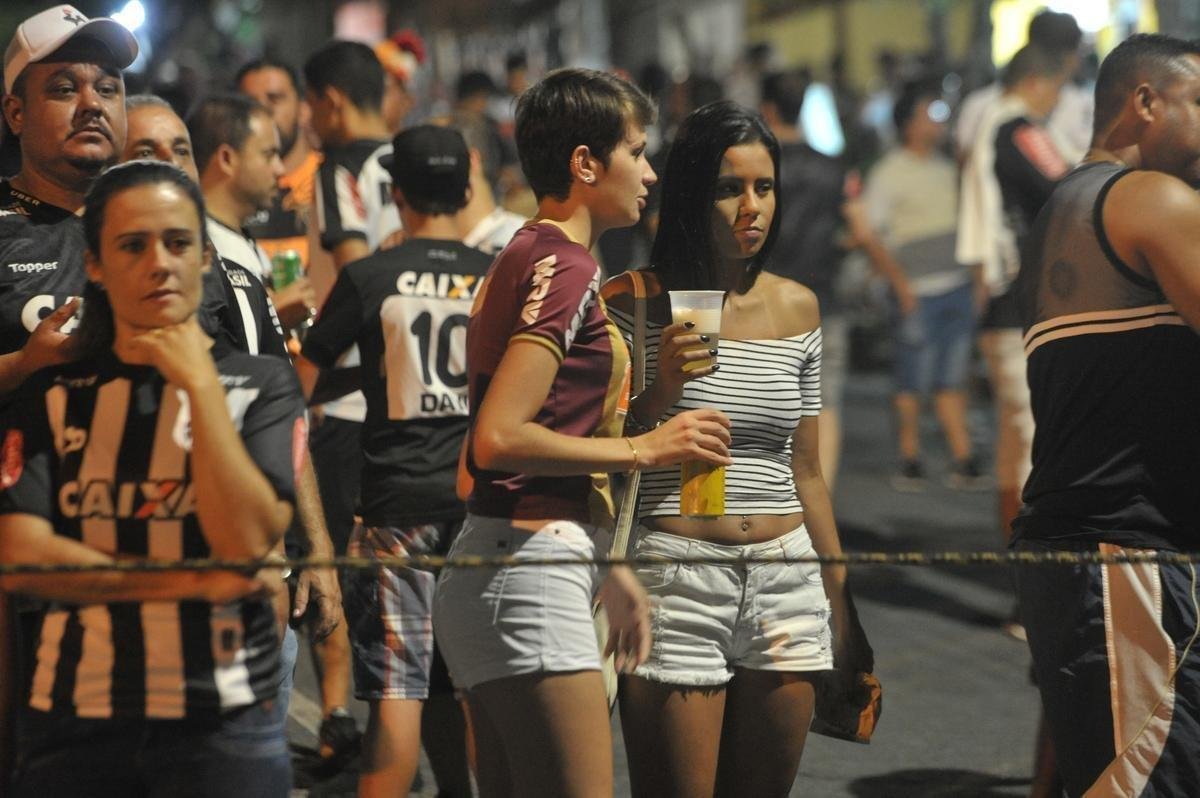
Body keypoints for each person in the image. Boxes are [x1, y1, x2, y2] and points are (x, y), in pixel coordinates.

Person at [432, 68, 732, 797]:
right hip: (527, 571)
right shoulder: (564, 266)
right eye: (637, 150)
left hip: (511, 561)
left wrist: (607, 563)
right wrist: (647, 447)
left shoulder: (534, 253)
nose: (651, 172)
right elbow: (499, 437)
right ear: (585, 164)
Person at [0, 159, 303, 795]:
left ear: (204, 260)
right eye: (132, 246)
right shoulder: (54, 391)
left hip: (222, 727)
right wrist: (194, 578)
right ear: (96, 266)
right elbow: (22, 557)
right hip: (75, 724)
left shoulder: (261, 385)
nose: (159, 262)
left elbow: (247, 539)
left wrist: (197, 384)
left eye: (178, 242)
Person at [604, 100, 872, 797]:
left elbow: (807, 469)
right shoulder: (634, 301)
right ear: (693, 193)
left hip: (786, 578)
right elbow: (599, 453)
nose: (751, 207)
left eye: (764, 187)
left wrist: (840, 603)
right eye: (729, 188)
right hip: (678, 577)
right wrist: (660, 389)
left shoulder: (798, 307)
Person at [1015, 33, 1200, 797]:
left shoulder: (1063, 207)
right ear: (1146, 102)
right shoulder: (1149, 199)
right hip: (1130, 557)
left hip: (1092, 555)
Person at [298, 124, 489, 798]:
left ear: (396, 192)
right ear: (466, 187)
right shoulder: (493, 276)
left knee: (399, 694)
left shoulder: (369, 274)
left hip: (396, 509)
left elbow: (303, 378)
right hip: (478, 510)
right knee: (475, 689)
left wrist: (369, 381)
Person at [0, 7, 137, 780]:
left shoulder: (161, 227)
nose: (93, 103)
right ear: (15, 111)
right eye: (64, 87)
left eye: (109, 87)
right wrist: (22, 367)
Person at [235, 57, 360, 765]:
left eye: (278, 97)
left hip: (328, 384)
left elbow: (346, 269)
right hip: (272, 386)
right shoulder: (237, 191)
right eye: (255, 101)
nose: (269, 110)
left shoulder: (321, 185)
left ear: (301, 108)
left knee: (329, 553)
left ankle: (337, 713)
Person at [860, 81, 982, 490]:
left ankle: (962, 459)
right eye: (932, 114)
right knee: (912, 379)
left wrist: (976, 282)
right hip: (915, 292)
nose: (939, 124)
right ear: (909, 123)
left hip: (955, 288)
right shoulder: (889, 172)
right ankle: (909, 459)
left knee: (951, 378)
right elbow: (870, 234)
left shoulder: (946, 169)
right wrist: (901, 286)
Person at [758, 71, 849, 487]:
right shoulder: (833, 168)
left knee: (759, 400)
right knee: (823, 405)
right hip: (821, 298)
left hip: (761, 300)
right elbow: (858, 228)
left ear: (768, 109)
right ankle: (820, 500)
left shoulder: (755, 168)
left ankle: (766, 498)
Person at [189, 93, 315, 332]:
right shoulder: (198, 250)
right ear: (227, 159)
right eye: (269, 155)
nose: (280, 169)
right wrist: (274, 314)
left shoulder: (237, 239)